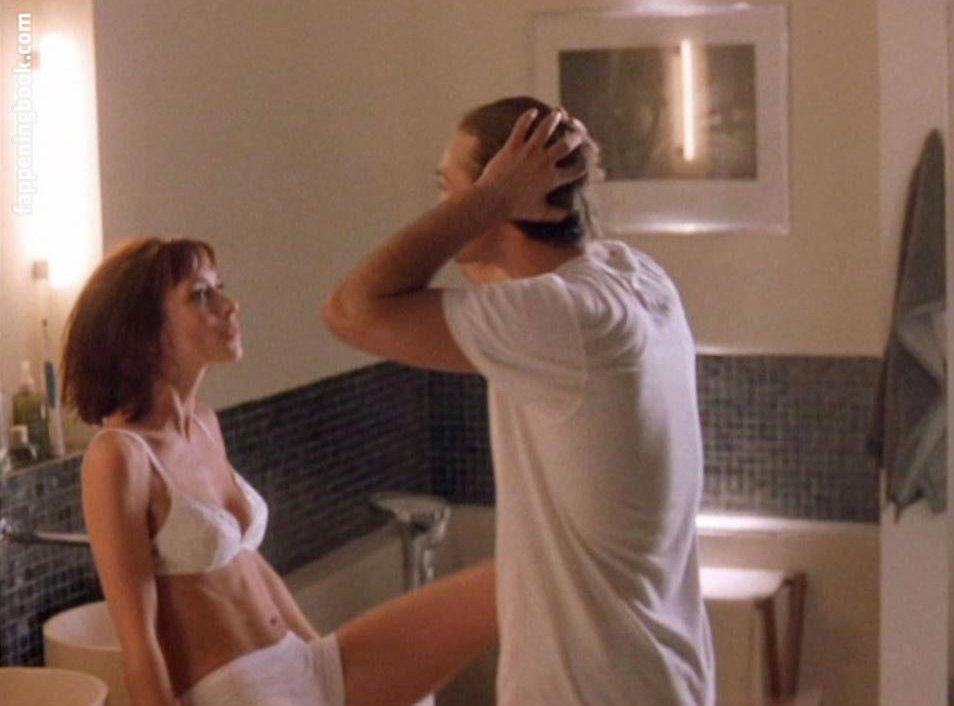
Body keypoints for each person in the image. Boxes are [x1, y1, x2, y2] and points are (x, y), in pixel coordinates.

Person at [323, 96, 715, 706]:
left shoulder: (564, 319)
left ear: (509, 196)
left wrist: (490, 198)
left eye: (449, 190)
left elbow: (351, 311)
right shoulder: (633, 278)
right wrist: (496, 203)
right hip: (661, 680)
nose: (444, 209)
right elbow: (498, 279)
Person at [63, 237, 497, 706]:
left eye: (219, 288)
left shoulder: (204, 424)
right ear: (144, 334)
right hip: (240, 690)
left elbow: (249, 561)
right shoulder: (120, 456)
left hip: (300, 662)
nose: (229, 306)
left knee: (502, 586)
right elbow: (140, 646)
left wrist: (317, 655)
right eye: (200, 295)